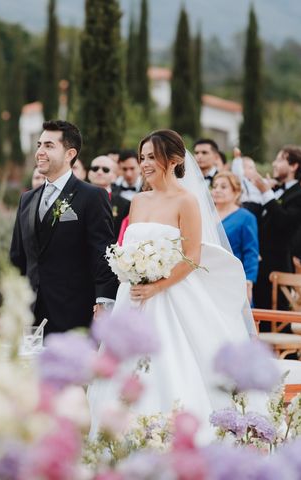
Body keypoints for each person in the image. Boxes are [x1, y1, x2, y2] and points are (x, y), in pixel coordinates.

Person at [88, 130, 254, 441]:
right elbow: (129, 246)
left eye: (152, 156)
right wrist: (128, 269)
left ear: (174, 160)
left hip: (171, 297)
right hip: (132, 296)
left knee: (170, 365)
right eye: (142, 157)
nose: (145, 163)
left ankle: (170, 436)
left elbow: (191, 256)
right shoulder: (137, 200)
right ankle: (120, 436)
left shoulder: (186, 201)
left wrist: (157, 286)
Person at [10, 120, 118, 335]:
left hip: (74, 313)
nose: (40, 151)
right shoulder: (27, 200)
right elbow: (17, 256)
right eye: (39, 145)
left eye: (49, 146)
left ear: (70, 154)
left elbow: (103, 254)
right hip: (29, 314)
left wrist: (104, 302)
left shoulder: (92, 196)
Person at [246, 145, 301, 309]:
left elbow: (284, 223)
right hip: (257, 267)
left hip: (277, 267)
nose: (274, 164)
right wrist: (261, 192)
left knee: (273, 318)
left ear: (293, 166)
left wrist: (266, 193)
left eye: (280, 159)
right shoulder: (274, 191)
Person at [212, 172, 258, 302]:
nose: (217, 190)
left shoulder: (246, 217)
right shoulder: (206, 215)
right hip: (207, 275)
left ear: (236, 192)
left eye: (223, 187)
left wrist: (248, 281)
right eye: (215, 186)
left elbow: (251, 252)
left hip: (232, 277)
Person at [88, 154, 130, 235]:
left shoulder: (125, 204)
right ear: (89, 173)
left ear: (114, 176)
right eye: (95, 168)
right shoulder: (75, 197)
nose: (99, 172)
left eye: (105, 169)